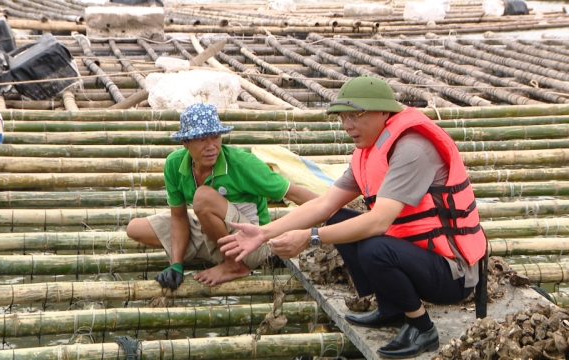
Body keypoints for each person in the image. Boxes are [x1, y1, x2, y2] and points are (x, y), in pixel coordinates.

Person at [218, 76, 487, 359]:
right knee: (337, 219)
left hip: (453, 273)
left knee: (375, 247)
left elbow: (379, 222)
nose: (348, 126)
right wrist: (264, 233)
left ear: (385, 112)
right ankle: (392, 308)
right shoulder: (368, 152)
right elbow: (324, 205)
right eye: (343, 117)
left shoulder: (412, 149)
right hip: (419, 254)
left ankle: (422, 328)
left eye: (356, 115)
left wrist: (310, 238)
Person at [126, 103, 317, 290]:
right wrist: (176, 263)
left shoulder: (242, 164)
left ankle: (234, 265)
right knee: (135, 228)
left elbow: (295, 194)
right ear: (185, 143)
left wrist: (336, 215)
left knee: (203, 197)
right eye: (201, 140)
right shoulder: (174, 164)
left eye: (215, 137)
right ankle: (209, 256)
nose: (211, 147)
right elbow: (178, 217)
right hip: (211, 233)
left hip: (252, 244)